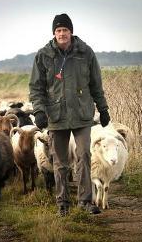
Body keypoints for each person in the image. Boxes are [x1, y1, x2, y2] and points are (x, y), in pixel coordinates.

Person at [29, 13, 110, 216]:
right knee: (60, 161)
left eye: (65, 30)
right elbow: (36, 88)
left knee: (84, 155)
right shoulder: (43, 55)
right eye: (58, 30)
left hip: (82, 114)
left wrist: (103, 108)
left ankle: (85, 201)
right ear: (54, 33)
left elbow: (96, 84)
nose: (62, 34)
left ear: (71, 31)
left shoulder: (86, 53)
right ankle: (63, 203)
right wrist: (39, 111)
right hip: (56, 117)